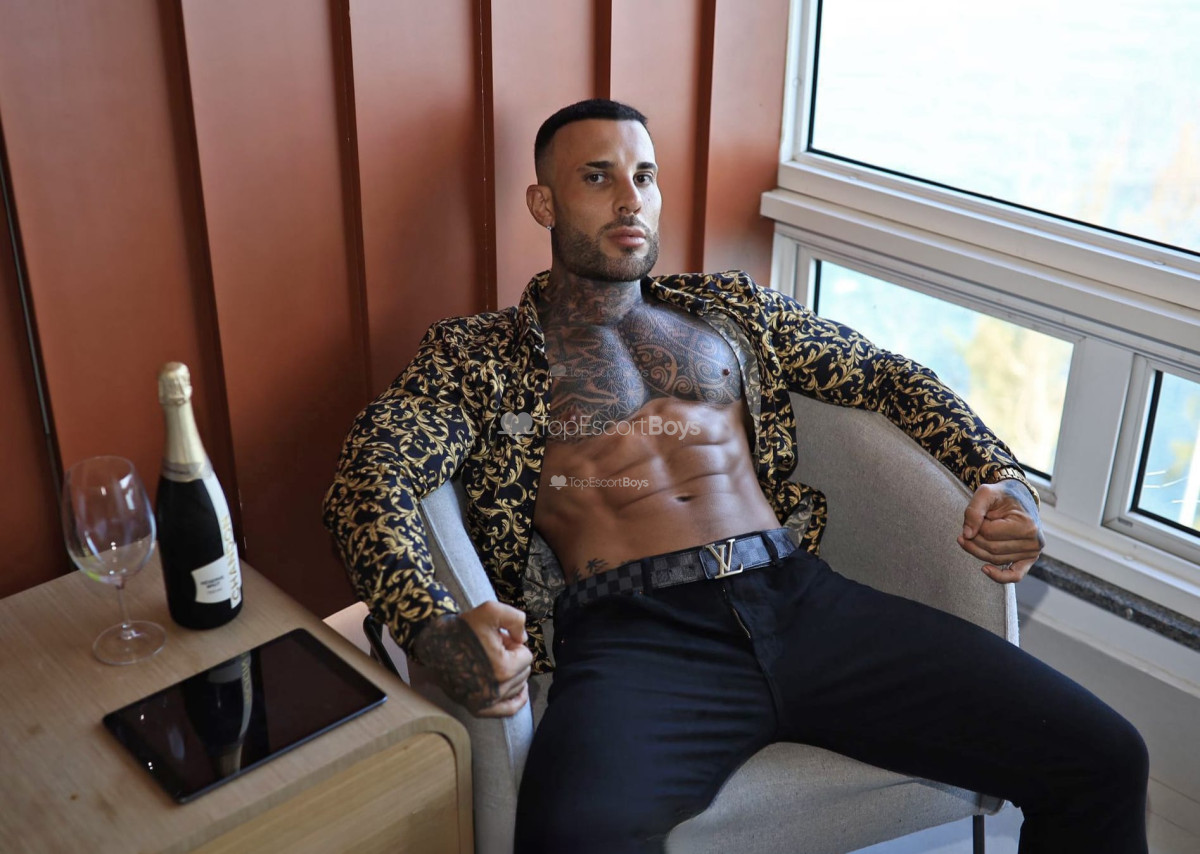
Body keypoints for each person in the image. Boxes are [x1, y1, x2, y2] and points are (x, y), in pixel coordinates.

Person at [323, 99, 1149, 853]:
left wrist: (1001, 475)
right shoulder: (477, 355)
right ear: (544, 204)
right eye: (597, 177)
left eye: (644, 176)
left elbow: (885, 376)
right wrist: (431, 626)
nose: (629, 200)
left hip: (801, 599)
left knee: (1106, 757)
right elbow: (371, 477)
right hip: (636, 634)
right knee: (570, 835)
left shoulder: (731, 311)